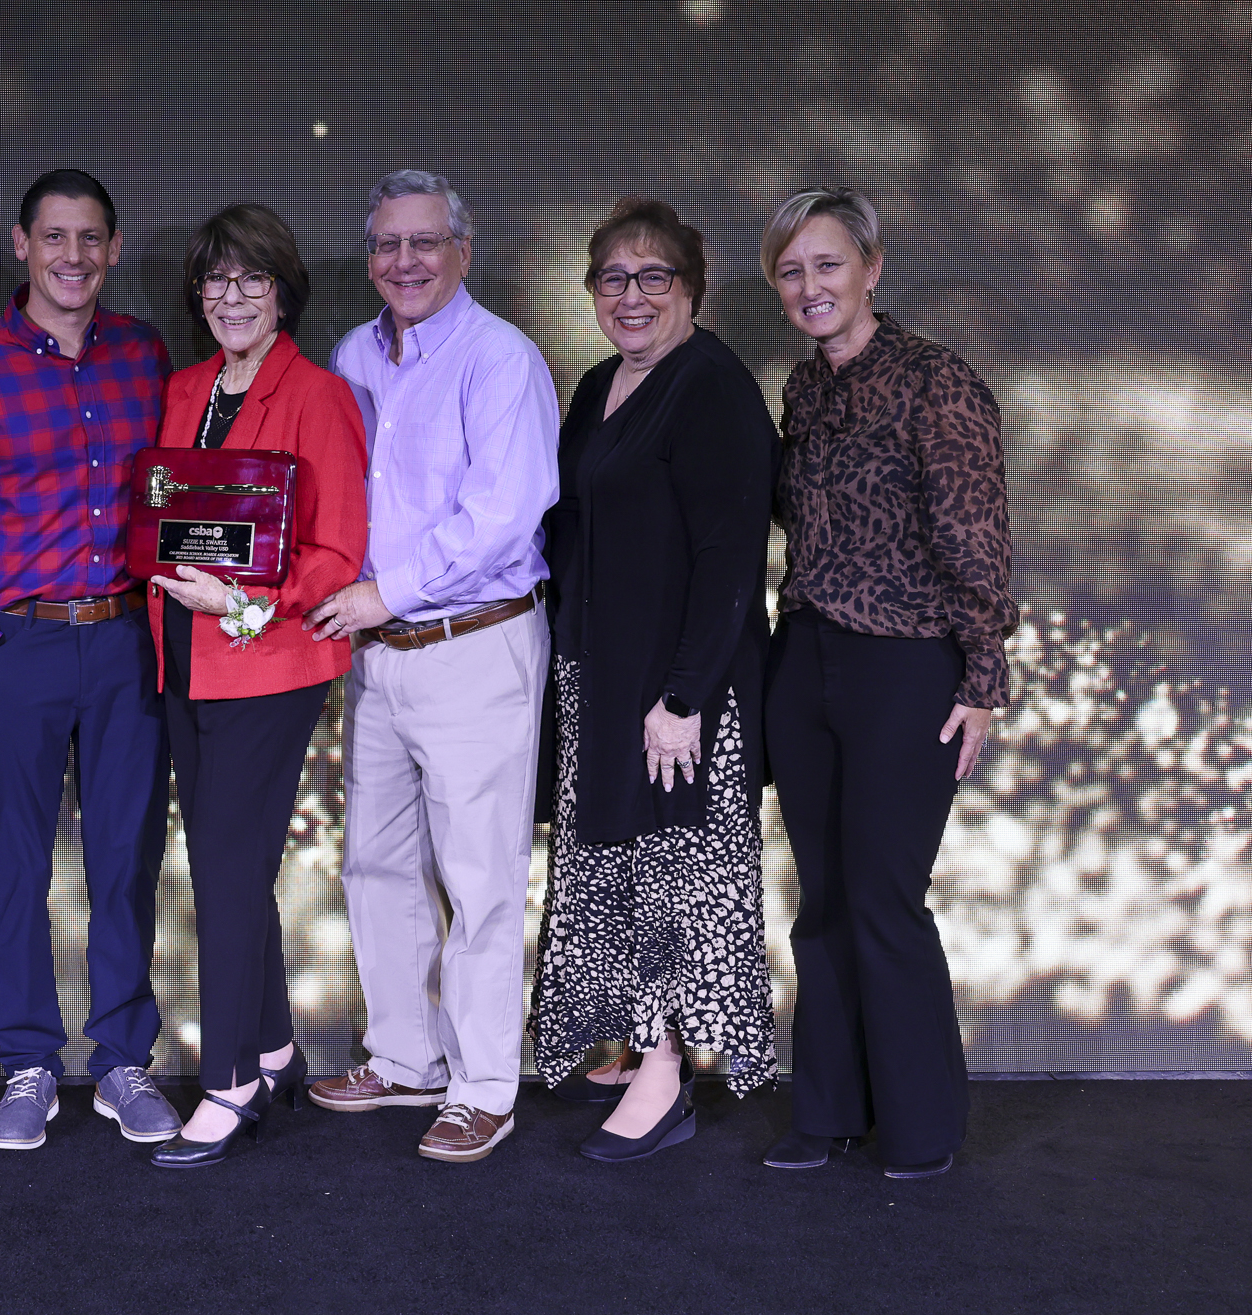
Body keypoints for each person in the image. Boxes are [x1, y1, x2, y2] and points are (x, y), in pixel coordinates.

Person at [758, 185, 1017, 1180]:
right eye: (790, 270)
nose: (808, 285)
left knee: (881, 899)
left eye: (826, 264)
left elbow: (975, 538)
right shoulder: (802, 389)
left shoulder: (936, 382)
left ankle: (919, 1129)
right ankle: (824, 1113)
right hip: (807, 658)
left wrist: (980, 676)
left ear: (870, 267)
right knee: (820, 900)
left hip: (908, 666)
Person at [0, 170, 180, 1151]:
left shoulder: (142, 356)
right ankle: (28, 1062)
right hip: (15, 644)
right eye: (54, 237)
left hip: (121, 640)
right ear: (22, 244)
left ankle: (119, 1062)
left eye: (90, 239)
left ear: (111, 250)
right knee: (16, 865)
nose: (72, 256)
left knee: (123, 858)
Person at [302, 170, 561, 1164]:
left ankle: (483, 1083)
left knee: (479, 876)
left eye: (422, 243)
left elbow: (502, 515)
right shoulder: (351, 353)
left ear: (460, 250)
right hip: (376, 654)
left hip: (472, 642)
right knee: (373, 861)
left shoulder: (501, 359)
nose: (401, 262)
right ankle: (403, 1059)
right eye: (385, 245)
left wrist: (383, 590)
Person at [529, 197, 779, 1164]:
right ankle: (639, 1041)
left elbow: (728, 559)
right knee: (620, 871)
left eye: (653, 278)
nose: (630, 297)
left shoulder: (710, 385)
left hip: (679, 691)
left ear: (691, 289)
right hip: (603, 673)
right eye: (611, 279)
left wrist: (682, 699)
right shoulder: (599, 386)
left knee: (673, 878)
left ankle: (669, 1071)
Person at [143, 204, 369, 1168]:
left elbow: (336, 549)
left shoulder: (319, 394)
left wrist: (244, 602)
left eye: (252, 280)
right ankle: (277, 1045)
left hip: (266, 661)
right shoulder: (184, 386)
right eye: (217, 280)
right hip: (182, 658)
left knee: (229, 874)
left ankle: (229, 1079)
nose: (232, 297)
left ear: (284, 293)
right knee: (227, 868)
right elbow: (167, 511)